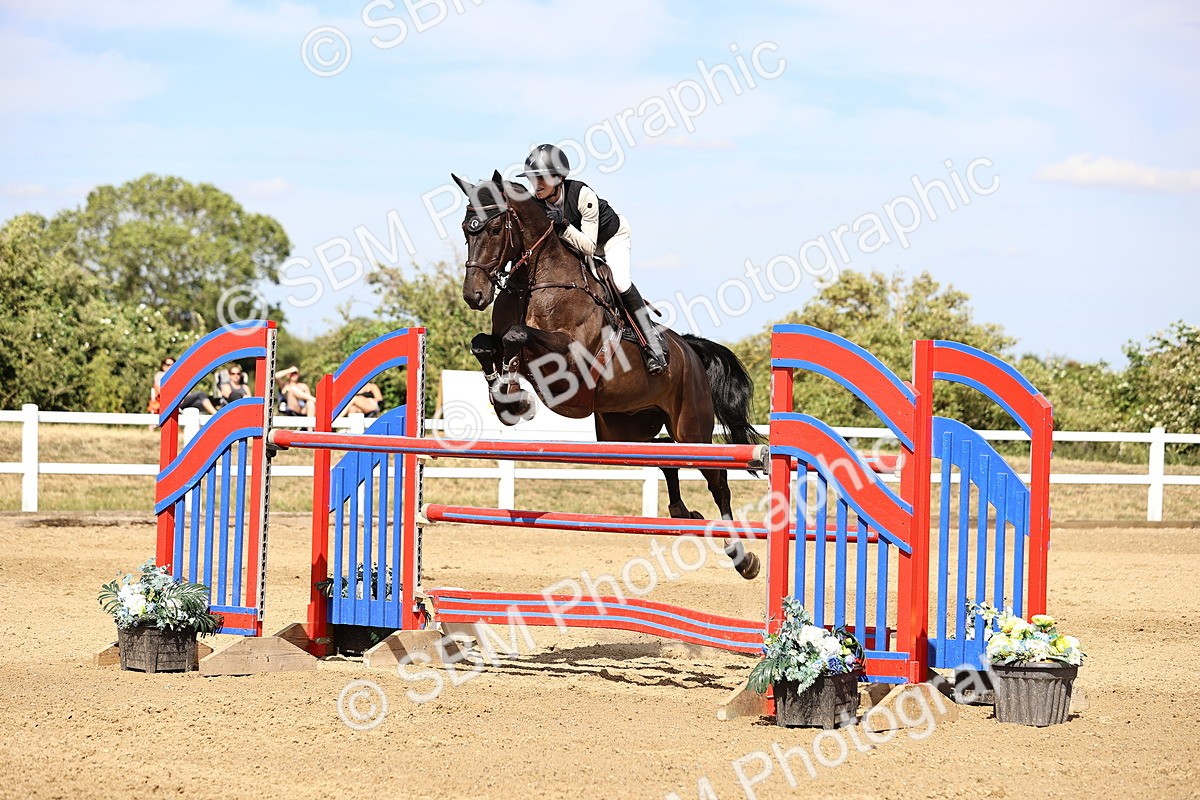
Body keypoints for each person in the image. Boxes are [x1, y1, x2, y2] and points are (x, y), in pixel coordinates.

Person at [522, 143, 667, 375]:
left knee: (620, 282)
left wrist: (563, 225)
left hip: (609, 239)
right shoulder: (537, 203)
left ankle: (653, 344)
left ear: (558, 178)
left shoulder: (582, 194)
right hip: (576, 244)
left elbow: (589, 247)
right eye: (532, 178)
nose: (536, 184)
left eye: (542, 178)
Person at [151, 356, 217, 415]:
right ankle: (216, 415)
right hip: (170, 402)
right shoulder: (161, 375)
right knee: (200, 394)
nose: (171, 367)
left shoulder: (177, 376)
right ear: (163, 366)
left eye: (173, 364)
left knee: (199, 403)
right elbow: (160, 391)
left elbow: (186, 390)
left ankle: (202, 424)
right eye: (168, 365)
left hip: (181, 401)